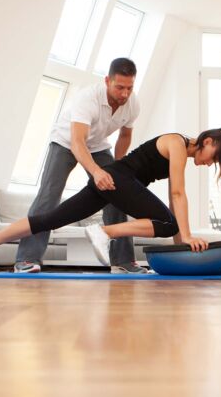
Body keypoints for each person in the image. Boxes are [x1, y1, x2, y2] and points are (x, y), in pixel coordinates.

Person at [0, 128, 221, 273]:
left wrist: (182, 245)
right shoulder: (178, 144)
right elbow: (178, 194)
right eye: (215, 158)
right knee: (167, 223)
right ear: (209, 141)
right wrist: (186, 236)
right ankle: (104, 232)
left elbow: (173, 196)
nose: (210, 163)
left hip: (111, 180)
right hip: (118, 179)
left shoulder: (180, 148)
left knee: (50, 220)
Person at [15, 57, 143, 274]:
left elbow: (125, 135)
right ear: (107, 81)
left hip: (98, 146)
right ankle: (27, 259)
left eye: (129, 88)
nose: (124, 93)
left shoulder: (132, 104)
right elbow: (77, 142)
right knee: (49, 196)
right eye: (119, 87)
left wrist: (120, 167)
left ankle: (123, 262)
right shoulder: (88, 99)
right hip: (66, 142)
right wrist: (96, 172)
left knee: (118, 194)